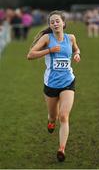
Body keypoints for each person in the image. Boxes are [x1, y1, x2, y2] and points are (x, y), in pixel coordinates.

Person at [27, 10, 81, 162]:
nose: (55, 23)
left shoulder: (71, 38)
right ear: (50, 26)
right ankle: (51, 122)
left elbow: (76, 49)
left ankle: (61, 149)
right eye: (52, 22)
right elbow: (30, 55)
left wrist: (77, 54)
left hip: (68, 81)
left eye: (57, 21)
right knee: (53, 116)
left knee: (64, 116)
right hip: (51, 84)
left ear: (63, 23)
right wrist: (49, 50)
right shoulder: (47, 38)